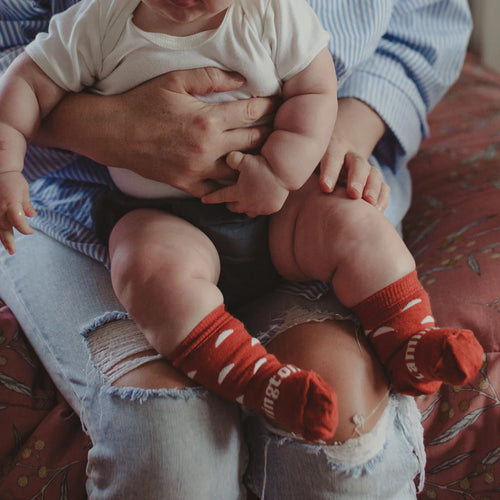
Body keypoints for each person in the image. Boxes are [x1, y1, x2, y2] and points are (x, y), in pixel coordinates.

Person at [0, 0, 476, 498]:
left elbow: (326, 80)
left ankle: (411, 339)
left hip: (293, 191)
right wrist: (87, 134)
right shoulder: (97, 22)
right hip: (133, 209)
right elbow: (24, 84)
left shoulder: (273, 16)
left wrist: (298, 159)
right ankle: (255, 378)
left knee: (352, 248)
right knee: (168, 423)